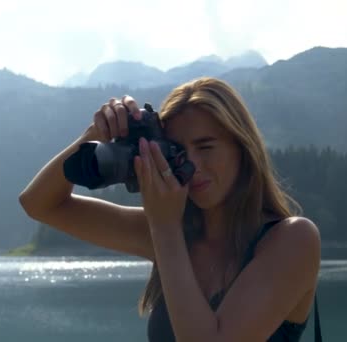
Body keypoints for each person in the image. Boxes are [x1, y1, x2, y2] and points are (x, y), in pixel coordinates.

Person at [19, 77, 322, 341]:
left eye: (205, 147)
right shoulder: (172, 233)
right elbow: (39, 203)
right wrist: (96, 134)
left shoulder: (292, 240)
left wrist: (164, 228)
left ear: (243, 149)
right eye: (177, 152)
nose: (192, 165)